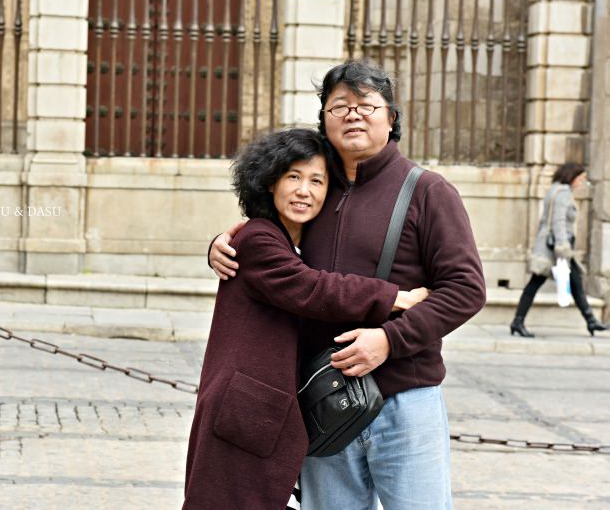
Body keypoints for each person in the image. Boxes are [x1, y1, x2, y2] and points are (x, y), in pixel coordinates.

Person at [209, 60, 487, 509]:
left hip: (405, 398)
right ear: (324, 120)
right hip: (322, 399)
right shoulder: (315, 190)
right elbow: (273, 245)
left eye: (366, 105)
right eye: (339, 106)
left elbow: (466, 289)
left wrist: (388, 342)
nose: (353, 114)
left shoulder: (428, 192)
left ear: (391, 118)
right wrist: (224, 241)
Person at [183, 128, 429, 509]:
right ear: (269, 182)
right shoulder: (258, 238)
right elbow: (313, 289)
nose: (304, 190)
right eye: (293, 177)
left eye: (317, 180)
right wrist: (394, 296)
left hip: (259, 416)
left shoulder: (287, 242)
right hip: (243, 414)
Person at [510, 162, 609, 338]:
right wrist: (563, 247)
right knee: (536, 283)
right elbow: (558, 222)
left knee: (574, 282)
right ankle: (518, 321)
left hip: (554, 247)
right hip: (555, 249)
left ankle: (590, 320)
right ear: (572, 176)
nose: (581, 183)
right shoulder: (563, 193)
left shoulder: (554, 190)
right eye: (581, 179)